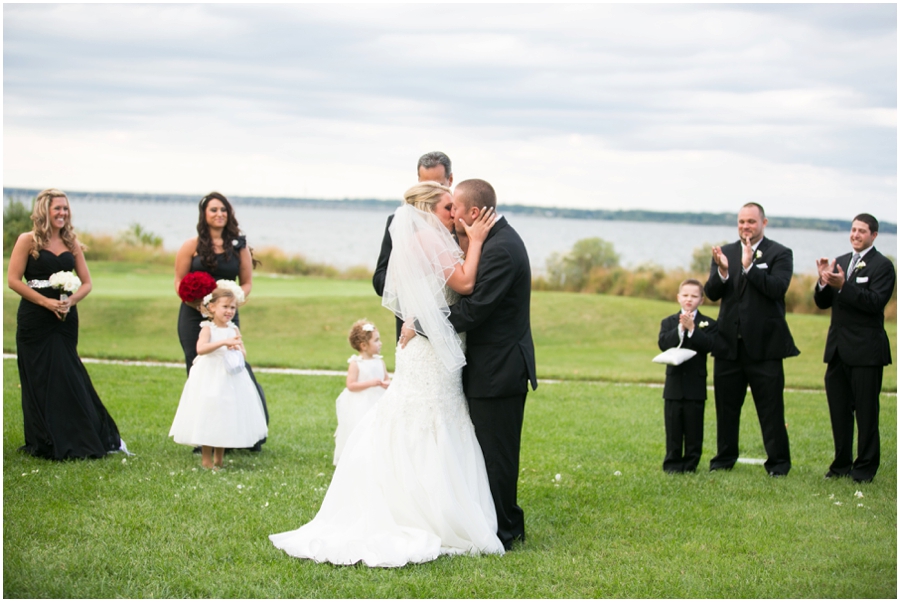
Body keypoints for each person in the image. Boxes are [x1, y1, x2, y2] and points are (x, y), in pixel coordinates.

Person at [270, 181, 502, 568]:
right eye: (447, 207)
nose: (455, 214)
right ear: (428, 210)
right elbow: (464, 283)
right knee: (425, 417)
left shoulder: (432, 240)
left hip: (429, 348)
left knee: (433, 416)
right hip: (427, 353)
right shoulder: (428, 241)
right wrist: (476, 241)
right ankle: (421, 511)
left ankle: (433, 503)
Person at [404, 178, 538, 550]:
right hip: (487, 366)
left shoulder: (501, 250)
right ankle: (494, 521)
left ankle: (505, 531)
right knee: (486, 451)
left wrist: (422, 324)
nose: (452, 217)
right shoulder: (491, 242)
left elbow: (475, 309)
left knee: (497, 453)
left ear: (475, 213)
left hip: (499, 369)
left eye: (456, 210)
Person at [7, 188, 124, 460]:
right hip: (35, 319)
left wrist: (70, 303)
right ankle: (45, 440)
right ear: (44, 211)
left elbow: (86, 283)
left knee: (67, 374)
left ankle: (78, 436)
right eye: (57, 208)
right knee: (39, 376)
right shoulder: (27, 240)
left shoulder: (72, 242)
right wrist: (45, 303)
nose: (62, 213)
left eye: (65, 208)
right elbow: (13, 281)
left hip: (65, 318)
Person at [705, 202, 799, 477]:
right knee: (726, 408)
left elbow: (777, 289)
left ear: (764, 223)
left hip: (765, 347)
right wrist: (723, 271)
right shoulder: (726, 252)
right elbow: (712, 293)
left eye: (751, 221)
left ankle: (778, 464)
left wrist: (749, 267)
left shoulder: (780, 253)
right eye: (742, 221)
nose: (746, 226)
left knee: (770, 409)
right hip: (728, 346)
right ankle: (723, 459)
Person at [174, 192, 268, 451]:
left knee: (234, 367)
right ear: (204, 214)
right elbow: (179, 281)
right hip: (193, 316)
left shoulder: (239, 248)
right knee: (199, 370)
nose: (219, 214)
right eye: (214, 210)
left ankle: (241, 436)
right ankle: (203, 436)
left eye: (223, 210)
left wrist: (233, 301)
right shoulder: (190, 245)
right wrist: (197, 304)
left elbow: (247, 282)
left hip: (227, 317)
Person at [814, 213, 895, 483]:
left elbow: (874, 303)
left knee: (866, 412)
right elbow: (823, 303)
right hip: (837, 349)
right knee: (839, 410)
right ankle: (840, 465)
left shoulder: (883, 266)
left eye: (862, 231)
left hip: (866, 351)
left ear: (873, 235)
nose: (856, 235)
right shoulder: (842, 262)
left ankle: (864, 469)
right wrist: (823, 281)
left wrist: (844, 286)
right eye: (853, 230)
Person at [169, 286, 268, 470]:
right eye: (225, 307)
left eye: (233, 308)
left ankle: (219, 460)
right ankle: (206, 460)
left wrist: (237, 348)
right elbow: (201, 349)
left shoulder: (234, 328)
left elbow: (243, 352)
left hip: (229, 377)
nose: (229, 311)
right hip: (210, 375)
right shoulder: (207, 328)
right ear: (212, 307)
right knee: (210, 413)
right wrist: (223, 342)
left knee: (225, 414)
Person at [373, 152, 454, 342]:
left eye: (438, 186)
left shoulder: (458, 222)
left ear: (450, 180)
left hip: (450, 330)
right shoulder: (398, 223)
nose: (430, 192)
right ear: (417, 181)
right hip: (408, 330)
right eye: (424, 185)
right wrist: (408, 276)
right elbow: (379, 280)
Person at [657, 279, 718, 473]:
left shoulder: (708, 324)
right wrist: (680, 329)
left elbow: (710, 345)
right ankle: (672, 464)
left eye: (694, 296)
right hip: (674, 383)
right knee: (673, 426)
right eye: (685, 295)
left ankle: (691, 463)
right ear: (678, 298)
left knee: (694, 427)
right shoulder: (668, 322)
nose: (689, 299)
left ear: (701, 299)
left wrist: (692, 329)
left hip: (695, 384)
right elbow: (663, 343)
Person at [332, 319, 390, 466]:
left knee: (379, 427)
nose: (380, 343)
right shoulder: (356, 363)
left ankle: (377, 455)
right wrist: (370, 383)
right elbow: (351, 385)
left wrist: (386, 384)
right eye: (376, 340)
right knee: (361, 428)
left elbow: (386, 378)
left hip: (378, 399)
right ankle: (358, 457)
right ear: (364, 345)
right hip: (362, 403)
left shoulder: (380, 361)